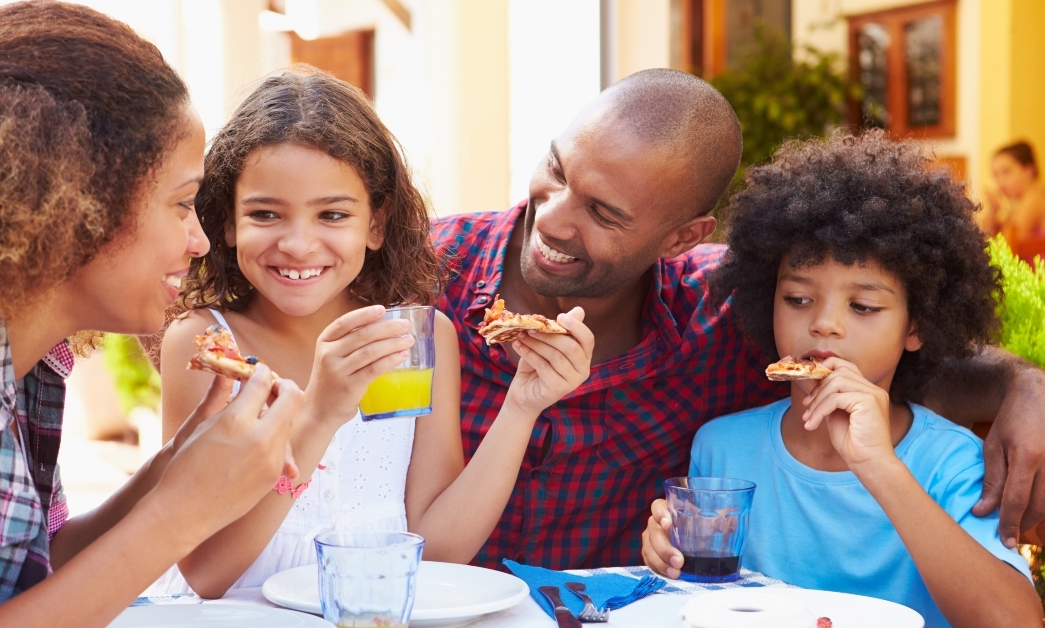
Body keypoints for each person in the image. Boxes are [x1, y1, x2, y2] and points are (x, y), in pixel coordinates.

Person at [432, 68, 1045, 570]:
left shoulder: (730, 312)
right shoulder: (426, 275)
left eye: (603, 212)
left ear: (683, 237)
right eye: (558, 170)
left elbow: (891, 357)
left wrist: (1024, 384)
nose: (556, 221)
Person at [0, 4, 301, 626]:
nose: (199, 241)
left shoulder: (26, 367)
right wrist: (183, 514)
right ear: (77, 207)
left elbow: (30, 573)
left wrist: (177, 467)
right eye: (182, 204)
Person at [154, 68, 594, 598]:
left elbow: (436, 549)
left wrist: (522, 406)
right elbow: (208, 573)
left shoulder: (415, 340)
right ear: (226, 221)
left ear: (377, 223)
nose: (298, 244)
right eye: (266, 213)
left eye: (332, 214)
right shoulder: (208, 347)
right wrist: (318, 416)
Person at [640, 131, 1041, 628]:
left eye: (863, 306)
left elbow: (1015, 621)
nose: (824, 324)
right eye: (797, 299)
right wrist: (668, 559)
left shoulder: (950, 461)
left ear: (916, 326)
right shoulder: (722, 447)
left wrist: (878, 465)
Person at [979, 140, 1045, 267]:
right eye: (996, 174)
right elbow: (984, 238)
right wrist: (993, 209)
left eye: (1006, 172)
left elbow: (1004, 248)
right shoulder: (1022, 202)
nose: (1000, 181)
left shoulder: (1034, 198)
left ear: (1028, 171)